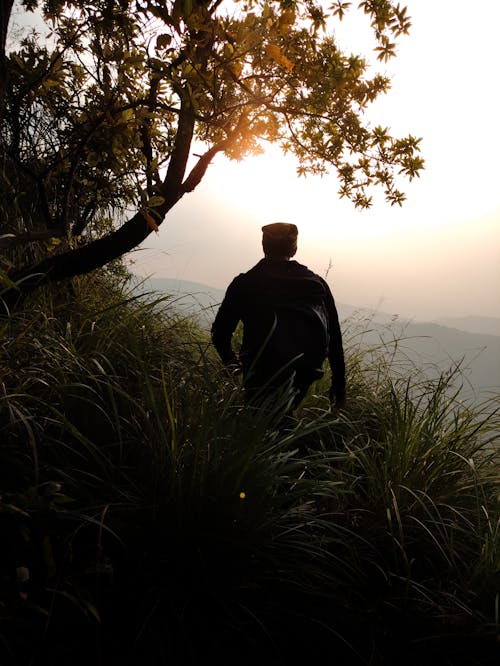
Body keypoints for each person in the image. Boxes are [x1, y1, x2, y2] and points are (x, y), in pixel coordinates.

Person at [211, 222, 346, 410]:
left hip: (260, 370)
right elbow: (334, 338)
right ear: (294, 248)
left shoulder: (245, 282)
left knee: (258, 421)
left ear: (263, 245)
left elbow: (220, 333)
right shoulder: (317, 284)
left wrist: (232, 363)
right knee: (284, 418)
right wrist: (339, 386)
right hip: (305, 370)